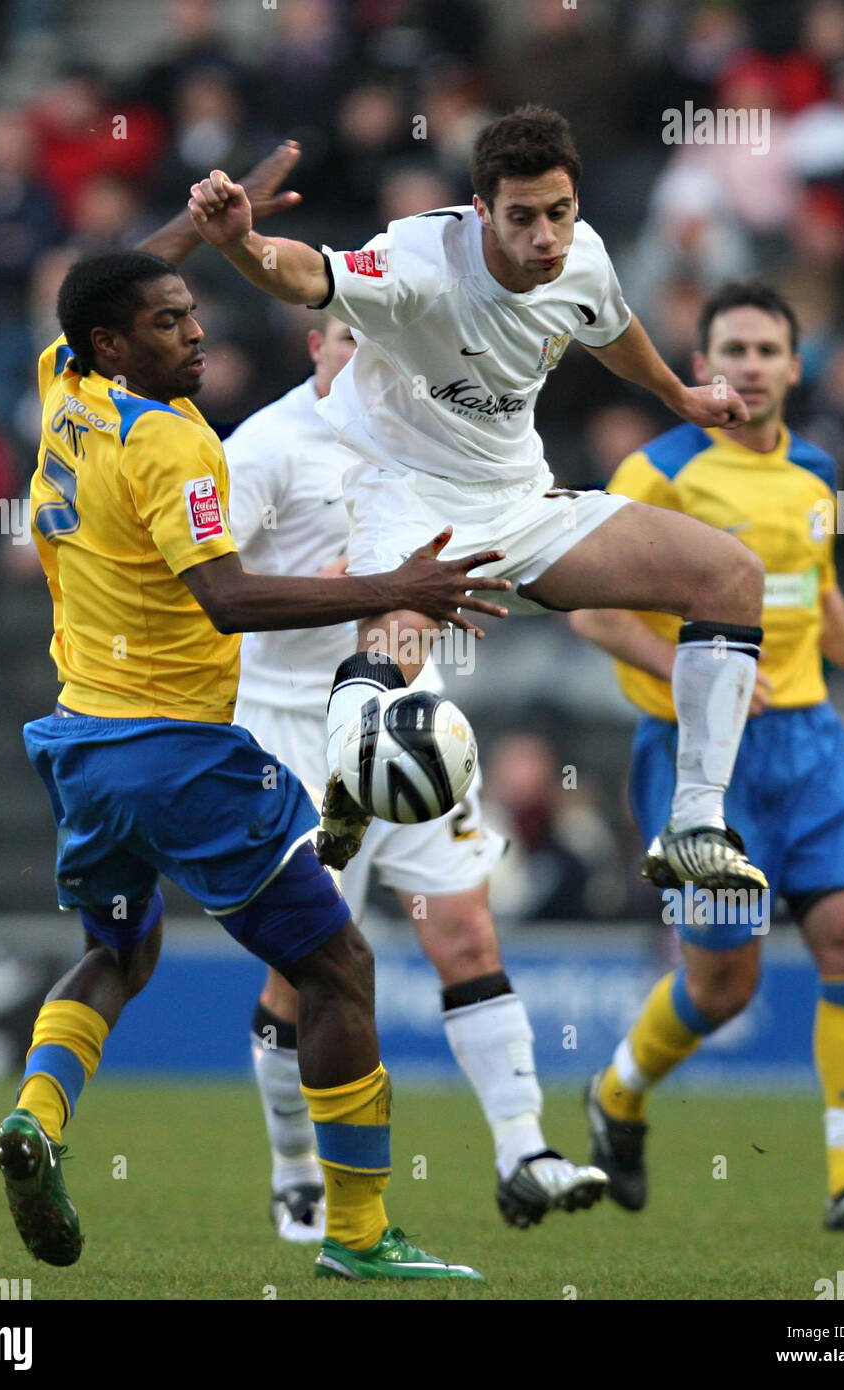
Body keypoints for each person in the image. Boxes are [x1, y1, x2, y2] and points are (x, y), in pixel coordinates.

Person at [0, 163, 511, 1283]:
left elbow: (116, 284)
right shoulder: (176, 446)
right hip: (178, 752)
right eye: (170, 323)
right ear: (112, 342)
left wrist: (200, 225)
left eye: (192, 314)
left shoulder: (64, 386)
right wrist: (391, 590)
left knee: (116, 956)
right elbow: (226, 598)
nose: (198, 332)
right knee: (338, 970)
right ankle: (362, 1233)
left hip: (80, 746)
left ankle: (37, 1117)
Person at [186, 106, 770, 896]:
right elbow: (308, 272)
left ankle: (695, 824)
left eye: (558, 214)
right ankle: (356, 773)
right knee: (391, 672)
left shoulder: (581, 255)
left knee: (731, 575)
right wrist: (241, 246)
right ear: (481, 209)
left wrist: (679, 395)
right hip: (415, 505)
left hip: (521, 498)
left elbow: (613, 326)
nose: (545, 238)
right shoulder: (418, 261)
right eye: (522, 218)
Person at [572, 280, 844, 1230]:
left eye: (766, 350)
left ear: (794, 365)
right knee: (723, 979)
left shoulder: (814, 471)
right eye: (732, 349)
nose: (749, 365)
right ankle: (617, 1093)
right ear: (703, 367)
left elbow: (813, 596)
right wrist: (702, 679)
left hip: (813, 742)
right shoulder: (656, 471)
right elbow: (592, 608)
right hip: (702, 755)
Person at [220, 310, 606, 1238]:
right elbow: (208, 599)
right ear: (314, 346)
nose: (365, 357)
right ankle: (295, 1168)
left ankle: (525, 1152)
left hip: (409, 714)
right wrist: (350, 584)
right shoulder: (262, 450)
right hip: (293, 731)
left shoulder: (431, 427)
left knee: (468, 928)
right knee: (307, 968)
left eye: (380, 343)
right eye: (348, 340)